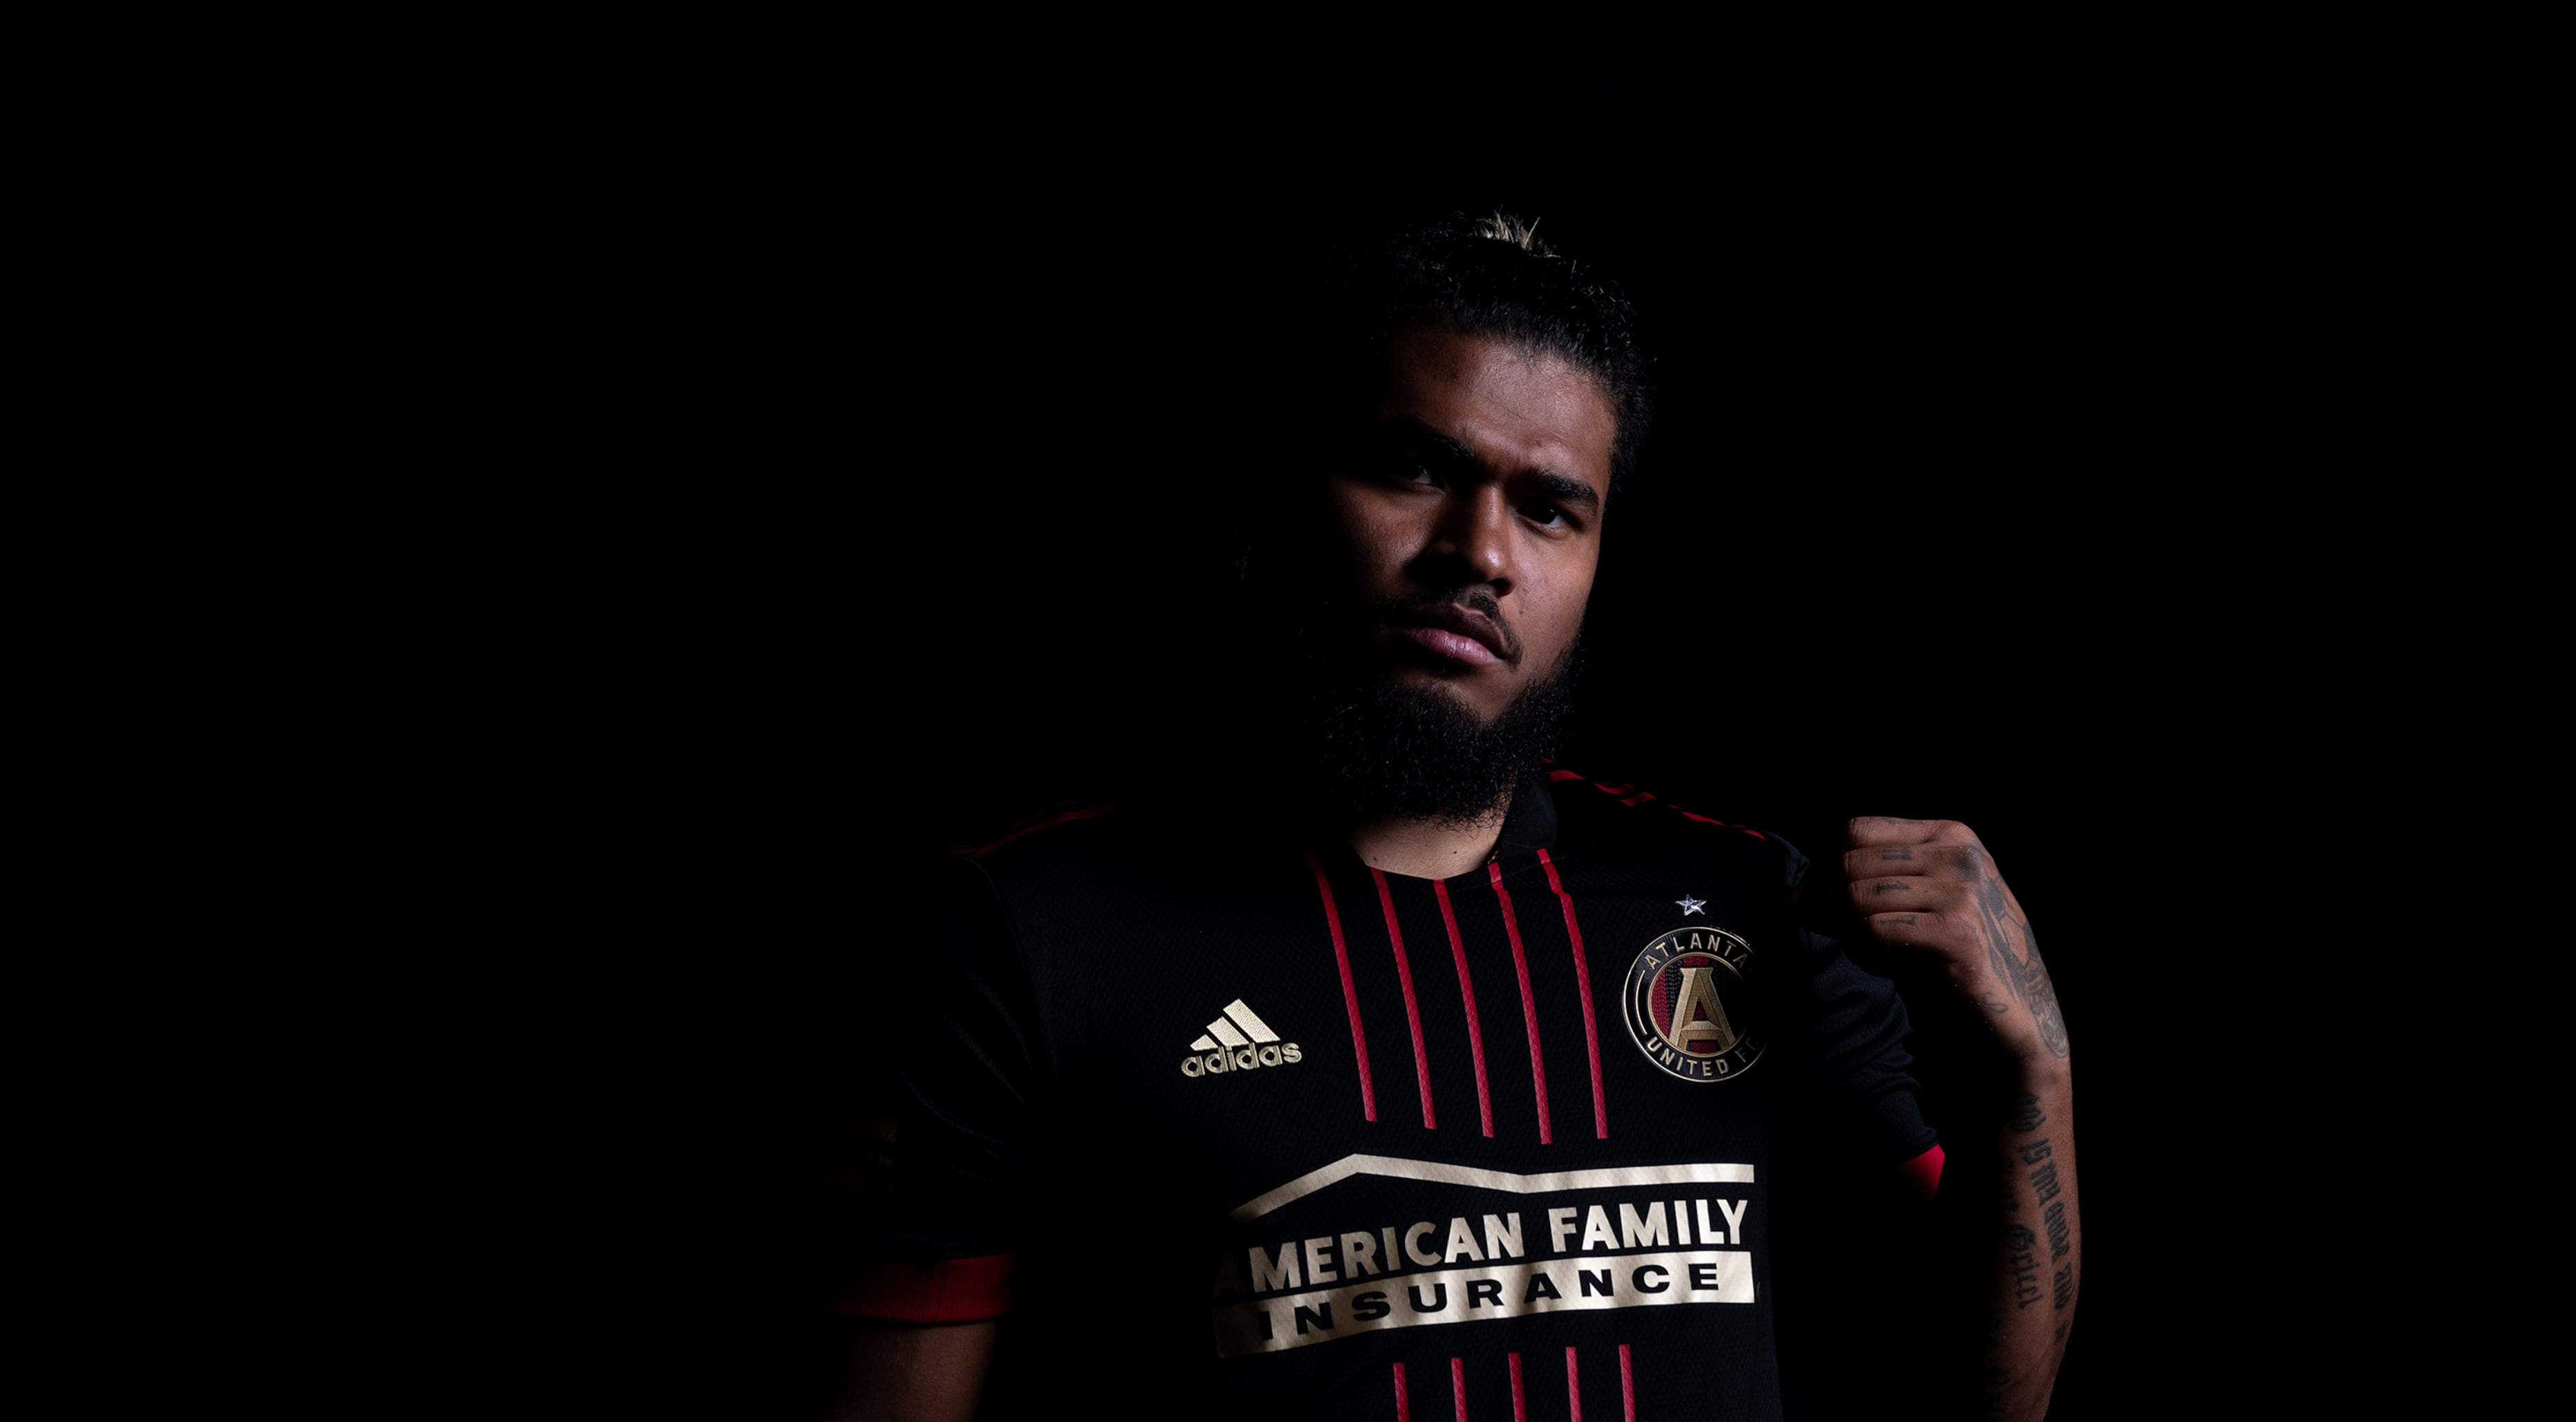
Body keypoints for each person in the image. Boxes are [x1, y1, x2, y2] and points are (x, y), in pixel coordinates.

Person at [819, 213, 2080, 1421]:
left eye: (1548, 507)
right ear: (1278, 494)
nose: (1481, 551)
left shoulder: (1749, 900)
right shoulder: (1027, 927)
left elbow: (1974, 1396)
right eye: (1416, 467)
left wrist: (2033, 1067)